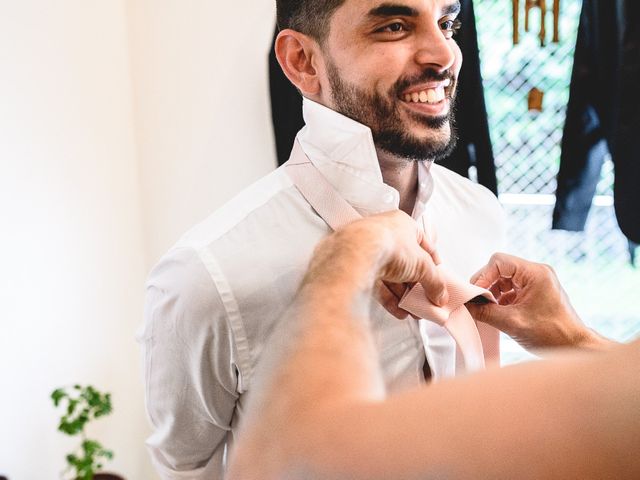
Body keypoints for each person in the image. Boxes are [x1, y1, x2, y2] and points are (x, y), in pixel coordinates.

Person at [140, 0, 506, 476]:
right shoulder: (206, 277)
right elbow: (184, 466)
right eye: (395, 27)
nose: (445, 54)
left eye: (447, 23)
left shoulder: (480, 214)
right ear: (302, 62)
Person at [227, 211, 637, 480]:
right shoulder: (212, 271)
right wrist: (574, 339)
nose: (447, 69)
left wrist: (346, 256)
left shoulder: (477, 207)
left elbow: (288, 460)